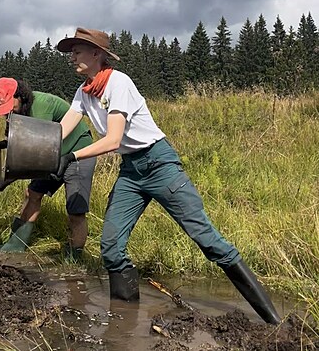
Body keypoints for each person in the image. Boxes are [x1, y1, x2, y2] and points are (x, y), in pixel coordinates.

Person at [53, 27, 280, 324]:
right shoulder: (83, 93)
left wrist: (72, 156)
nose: (72, 57)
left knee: (208, 241)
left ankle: (273, 320)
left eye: (77, 51)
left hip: (159, 165)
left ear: (97, 54)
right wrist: (32, 147)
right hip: (131, 173)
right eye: (71, 52)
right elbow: (60, 131)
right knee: (110, 248)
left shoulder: (118, 83)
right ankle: (124, 322)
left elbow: (113, 140)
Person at [0, 77, 96, 261]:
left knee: (75, 209)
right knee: (33, 194)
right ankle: (14, 246)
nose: (9, 112)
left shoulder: (40, 106)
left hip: (78, 153)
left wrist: (6, 179)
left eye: (10, 105)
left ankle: (74, 259)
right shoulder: (18, 112)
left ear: (19, 96)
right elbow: (20, 142)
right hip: (52, 154)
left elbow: (37, 149)